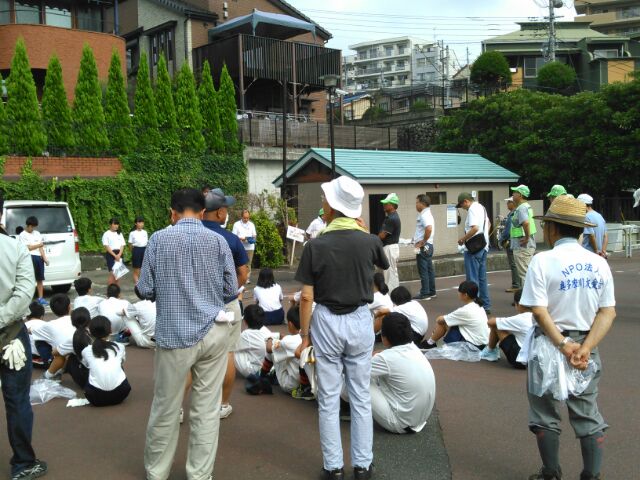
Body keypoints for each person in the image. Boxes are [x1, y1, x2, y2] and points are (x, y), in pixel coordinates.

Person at [137, 188, 237, 480]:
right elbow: (231, 289)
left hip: (175, 334)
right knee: (206, 410)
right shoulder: (218, 241)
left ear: (173, 213)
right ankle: (200, 475)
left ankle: (157, 473)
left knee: (166, 408)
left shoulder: (158, 239)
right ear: (203, 213)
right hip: (214, 331)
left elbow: (145, 288)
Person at [296, 176, 389, 480]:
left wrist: (305, 335)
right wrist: (365, 231)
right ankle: (363, 466)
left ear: (333, 207)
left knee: (328, 398)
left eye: (326, 198)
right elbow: (383, 264)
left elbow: (306, 296)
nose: (323, 202)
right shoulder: (370, 240)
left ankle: (333, 467)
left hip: (326, 320)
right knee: (361, 395)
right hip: (360, 318)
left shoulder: (315, 244)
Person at [520, 195, 616, 480]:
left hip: (548, 344)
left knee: (544, 413)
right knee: (586, 412)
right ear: (581, 230)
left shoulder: (542, 260)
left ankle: (551, 472)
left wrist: (563, 344)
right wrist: (585, 347)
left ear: (552, 228)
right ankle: (591, 475)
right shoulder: (599, 263)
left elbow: (538, 310)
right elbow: (608, 312)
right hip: (586, 346)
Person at [0, 192, 48, 480]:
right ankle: (23, 463)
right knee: (17, 400)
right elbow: (24, 294)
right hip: (12, 336)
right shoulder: (14, 246)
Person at [343, 313, 435, 434]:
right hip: (420, 420)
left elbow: (353, 370)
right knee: (370, 374)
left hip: (400, 423)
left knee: (354, 378)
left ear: (384, 337)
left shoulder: (386, 358)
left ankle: (345, 407)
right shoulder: (413, 349)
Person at [202, 188, 248, 419]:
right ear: (220, 212)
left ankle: (178, 408)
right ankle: (222, 404)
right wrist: (229, 292)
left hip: (196, 304)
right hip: (226, 304)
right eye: (226, 209)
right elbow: (243, 273)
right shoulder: (230, 239)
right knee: (228, 352)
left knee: (190, 355)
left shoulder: (188, 235)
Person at [257, 305, 314, 399]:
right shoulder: (312, 336)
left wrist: (270, 338)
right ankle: (305, 387)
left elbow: (269, 349)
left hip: (290, 384)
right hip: (311, 381)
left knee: (273, 349)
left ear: (290, 324)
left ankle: (261, 376)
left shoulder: (288, 341)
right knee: (283, 352)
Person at [422, 281, 489, 350]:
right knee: (451, 322)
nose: (458, 293)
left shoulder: (465, 310)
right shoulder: (479, 306)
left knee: (443, 322)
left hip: (472, 346)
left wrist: (437, 327)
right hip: (482, 344)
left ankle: (429, 343)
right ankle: (432, 342)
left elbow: (440, 320)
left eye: (459, 292)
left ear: (465, 295)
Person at [82, 316, 131, 407]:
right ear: (110, 330)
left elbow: (86, 365)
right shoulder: (120, 347)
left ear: (90, 332)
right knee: (119, 365)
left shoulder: (86, 350)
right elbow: (121, 362)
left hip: (95, 397)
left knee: (90, 368)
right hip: (121, 393)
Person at [480, 289, 533, 369]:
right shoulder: (539, 316)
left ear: (519, 304)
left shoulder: (520, 318)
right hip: (536, 359)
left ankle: (490, 351)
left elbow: (490, 322)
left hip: (521, 360)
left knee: (497, 325)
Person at [457, 192, 491, 313]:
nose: (463, 208)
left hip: (473, 248)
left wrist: (463, 239)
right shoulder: (482, 207)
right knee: (482, 279)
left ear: (466, 201)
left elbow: (475, 228)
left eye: (462, 205)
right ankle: (485, 305)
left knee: (472, 279)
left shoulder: (472, 209)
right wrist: (484, 236)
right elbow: (489, 224)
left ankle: (476, 308)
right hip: (483, 246)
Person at [29, 294, 75, 381]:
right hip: (77, 362)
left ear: (53, 310)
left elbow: (31, 330)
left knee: (39, 340)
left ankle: (50, 369)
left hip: (61, 361)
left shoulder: (50, 325)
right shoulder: (77, 320)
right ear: (69, 307)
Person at [233, 304, 276, 378]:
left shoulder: (246, 334)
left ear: (245, 321)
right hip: (270, 367)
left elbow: (233, 346)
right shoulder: (265, 329)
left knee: (232, 350)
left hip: (257, 371)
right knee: (244, 346)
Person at [18, 216, 50, 306]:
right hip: (29, 257)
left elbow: (41, 248)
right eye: (32, 227)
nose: (33, 229)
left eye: (34, 227)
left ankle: (40, 298)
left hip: (39, 258)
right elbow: (27, 248)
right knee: (29, 279)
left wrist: (45, 258)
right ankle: (28, 299)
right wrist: (39, 245)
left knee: (40, 279)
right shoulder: (22, 235)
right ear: (28, 225)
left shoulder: (37, 233)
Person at [510, 185, 537, 287]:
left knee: (524, 274)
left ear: (520, 195)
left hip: (522, 246)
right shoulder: (527, 206)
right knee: (527, 273)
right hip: (527, 246)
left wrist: (526, 238)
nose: (513, 194)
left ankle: (526, 296)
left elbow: (525, 223)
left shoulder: (521, 208)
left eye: (515, 192)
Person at [413, 194, 436, 300]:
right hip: (429, 245)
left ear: (422, 203)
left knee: (423, 269)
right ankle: (431, 291)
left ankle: (425, 293)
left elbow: (429, 228)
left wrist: (423, 241)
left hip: (423, 246)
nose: (416, 205)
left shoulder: (424, 214)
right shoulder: (428, 213)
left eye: (417, 202)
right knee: (429, 269)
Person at [378, 193, 401, 292]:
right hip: (391, 248)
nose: (384, 205)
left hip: (390, 248)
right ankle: (394, 294)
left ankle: (392, 295)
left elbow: (382, 236)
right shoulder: (392, 216)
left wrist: (371, 239)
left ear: (392, 205)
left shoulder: (391, 218)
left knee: (390, 274)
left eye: (386, 203)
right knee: (390, 273)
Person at [66, 307, 92, 388]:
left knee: (70, 357)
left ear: (73, 322)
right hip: (105, 379)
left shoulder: (73, 337)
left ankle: (51, 375)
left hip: (88, 381)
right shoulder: (95, 332)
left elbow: (56, 352)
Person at [501, 197, 521, 292]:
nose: (507, 204)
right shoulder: (516, 213)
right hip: (517, 240)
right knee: (517, 263)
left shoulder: (512, 214)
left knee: (513, 264)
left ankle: (516, 285)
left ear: (513, 203)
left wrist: (501, 239)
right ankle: (519, 284)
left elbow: (507, 231)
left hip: (511, 241)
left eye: (509, 202)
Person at [232, 209, 257, 283]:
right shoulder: (236, 224)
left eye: (247, 218)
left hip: (250, 247)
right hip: (240, 246)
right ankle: (238, 278)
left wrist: (252, 239)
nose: (246, 219)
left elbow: (254, 235)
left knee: (248, 263)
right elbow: (234, 236)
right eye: (244, 218)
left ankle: (246, 278)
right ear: (241, 217)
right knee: (239, 263)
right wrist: (242, 239)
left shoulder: (251, 224)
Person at [102, 218, 126, 286]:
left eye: (117, 224)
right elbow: (106, 246)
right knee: (112, 274)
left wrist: (119, 254)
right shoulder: (106, 234)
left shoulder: (120, 234)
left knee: (118, 274)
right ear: (110, 224)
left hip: (119, 254)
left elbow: (122, 245)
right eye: (114, 224)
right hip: (111, 254)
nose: (116, 226)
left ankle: (116, 290)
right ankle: (110, 290)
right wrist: (115, 256)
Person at [128, 216, 148, 284]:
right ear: (135, 223)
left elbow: (146, 242)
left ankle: (143, 284)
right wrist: (133, 252)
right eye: (139, 222)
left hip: (144, 250)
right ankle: (137, 286)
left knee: (144, 268)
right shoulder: (132, 233)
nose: (141, 224)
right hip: (136, 250)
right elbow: (130, 244)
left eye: (142, 222)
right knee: (137, 269)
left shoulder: (145, 232)